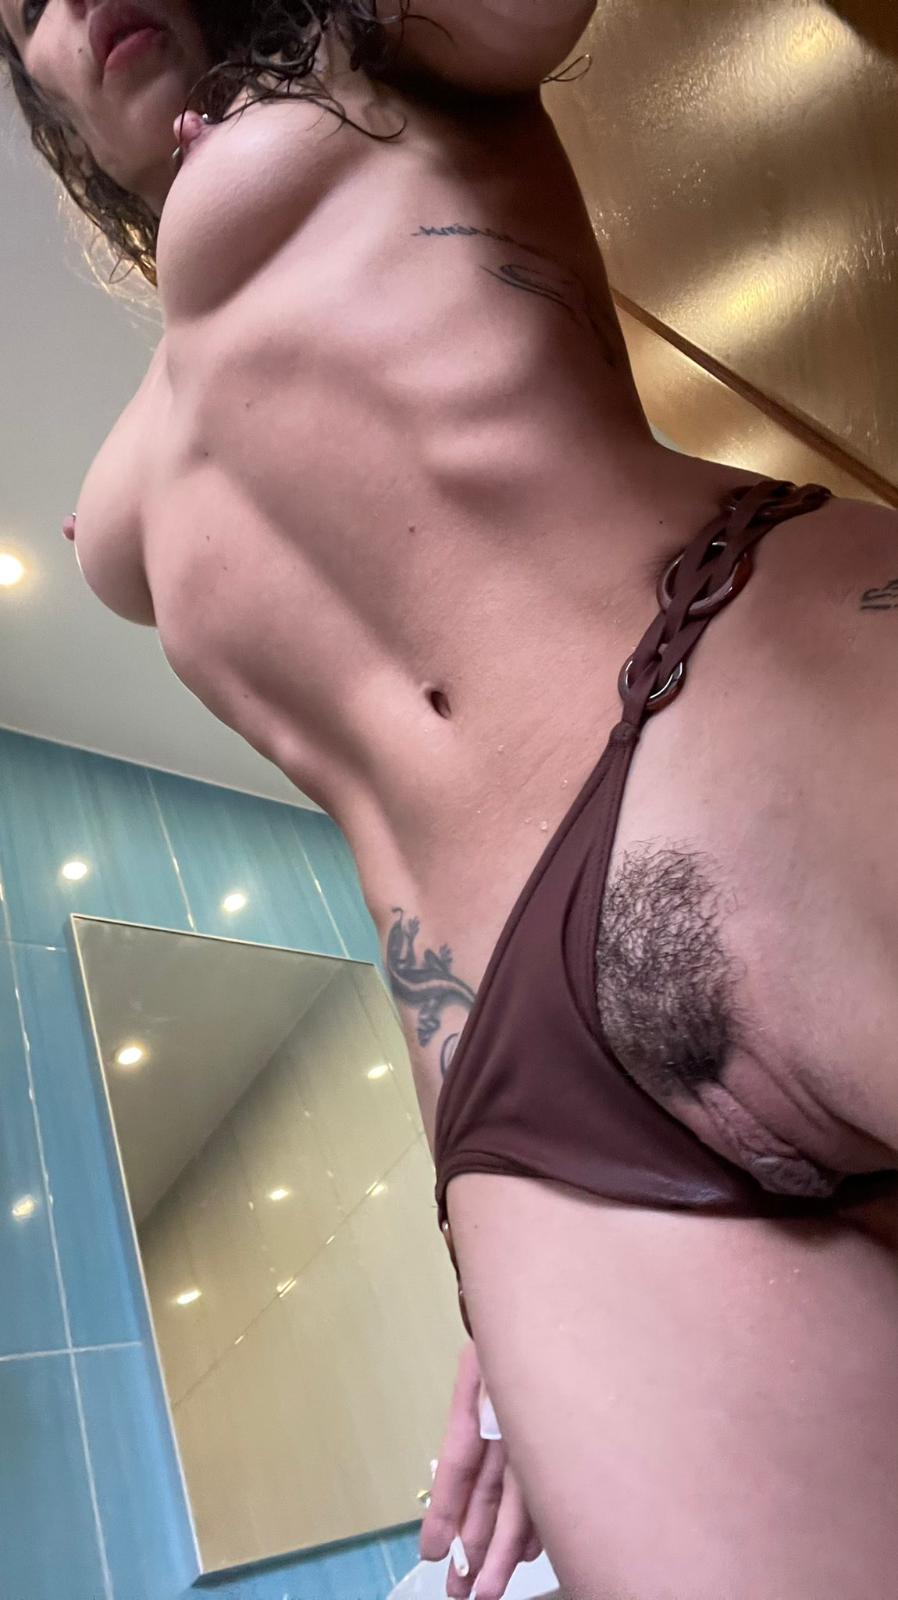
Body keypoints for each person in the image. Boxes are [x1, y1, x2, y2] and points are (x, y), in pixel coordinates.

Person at [3, 3, 898, 1595]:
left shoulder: (369, 54)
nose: (71, 2)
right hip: (522, 1095)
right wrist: (491, 1269)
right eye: (25, 14)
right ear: (47, 107)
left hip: (726, 697)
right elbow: (380, 834)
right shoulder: (126, 468)